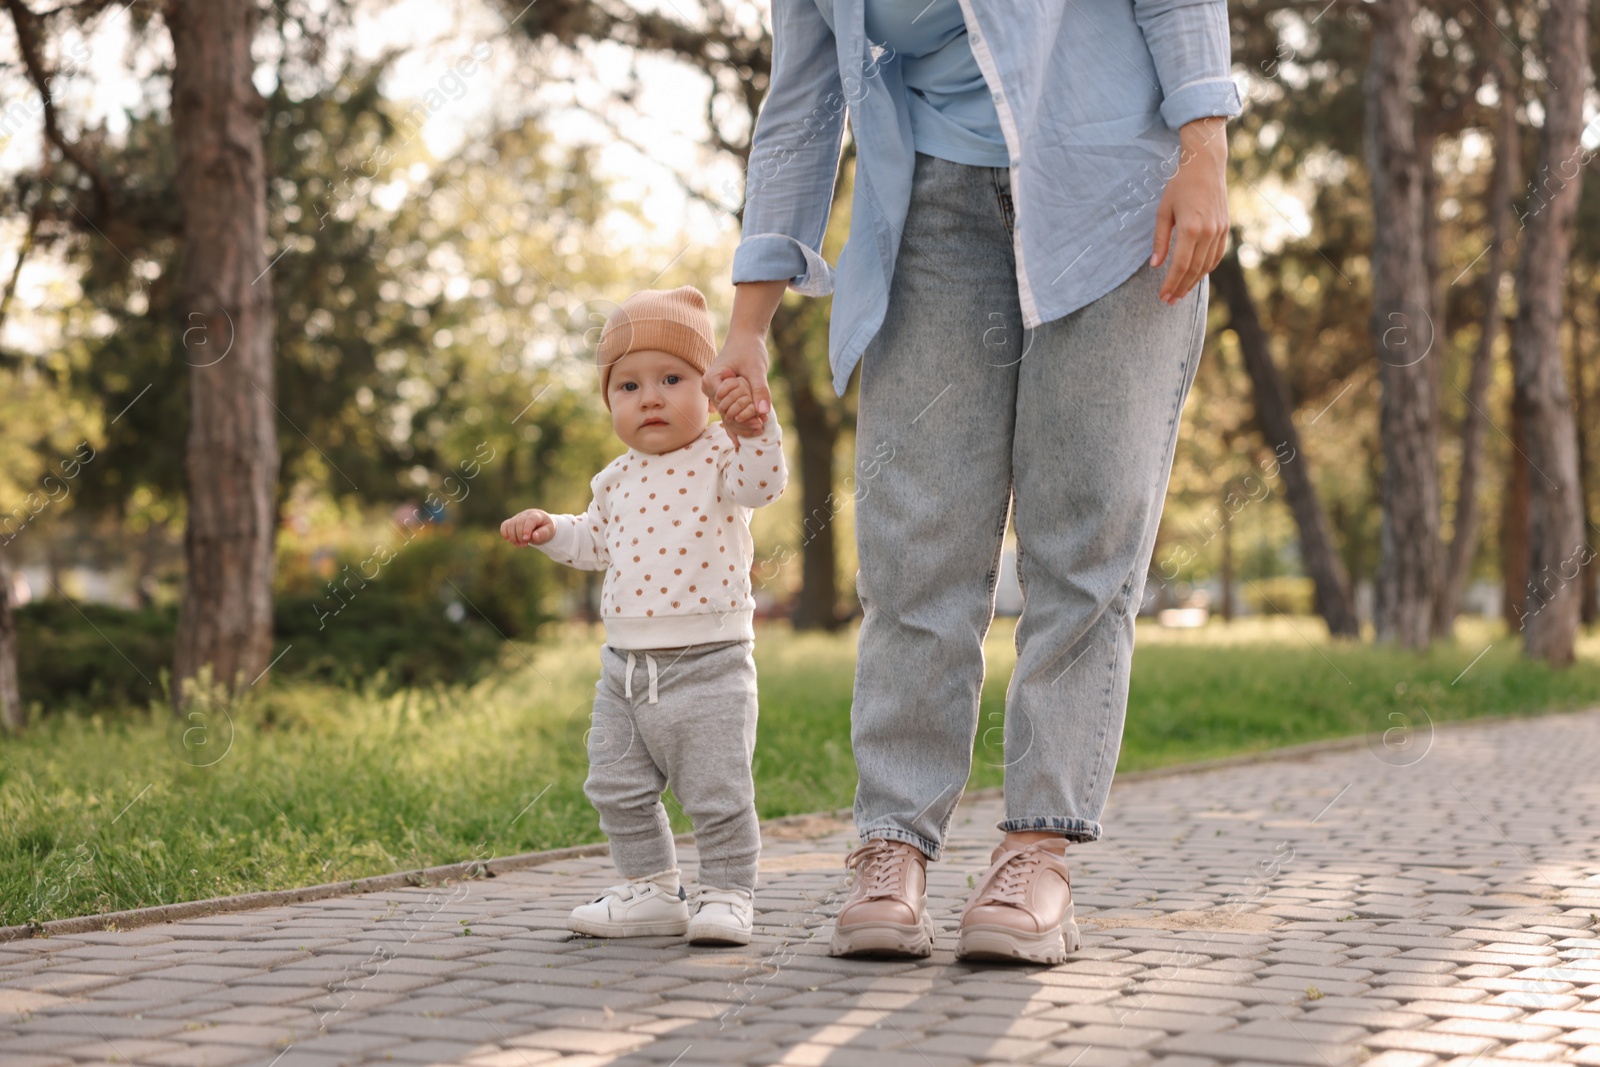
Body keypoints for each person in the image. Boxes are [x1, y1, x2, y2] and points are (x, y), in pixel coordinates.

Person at [705, 0, 1240, 963]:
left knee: (1083, 534)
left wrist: (1205, 148)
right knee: (917, 539)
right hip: (932, 209)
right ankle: (891, 843)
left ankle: (1037, 849)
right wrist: (749, 322)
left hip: (1113, 187)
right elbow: (800, 106)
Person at [502, 285, 788, 946]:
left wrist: (755, 426)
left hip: (709, 662)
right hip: (624, 671)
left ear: (708, 389)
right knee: (615, 786)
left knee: (717, 793)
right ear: (610, 402)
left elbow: (764, 483)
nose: (650, 396)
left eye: (671, 378)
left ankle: (726, 892)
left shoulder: (720, 455)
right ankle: (652, 890)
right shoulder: (615, 480)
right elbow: (594, 542)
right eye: (627, 386)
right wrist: (551, 530)